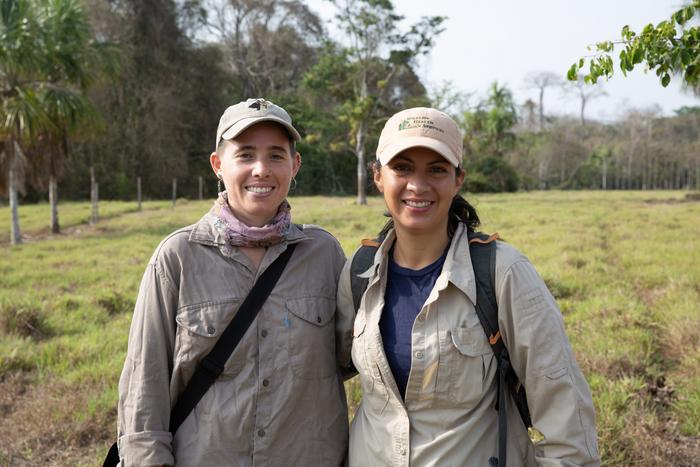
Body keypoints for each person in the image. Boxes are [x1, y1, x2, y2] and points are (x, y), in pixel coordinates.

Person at [336, 107, 600, 466]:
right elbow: (318, 376)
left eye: (437, 169)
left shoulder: (501, 272)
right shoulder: (359, 272)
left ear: (458, 179)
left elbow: (565, 409)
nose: (418, 185)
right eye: (402, 167)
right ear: (378, 176)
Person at [117, 98, 351, 466]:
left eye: (276, 155)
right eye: (244, 155)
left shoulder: (324, 254)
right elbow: (144, 384)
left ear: (295, 165)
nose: (261, 169)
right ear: (218, 164)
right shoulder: (178, 257)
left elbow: (357, 356)